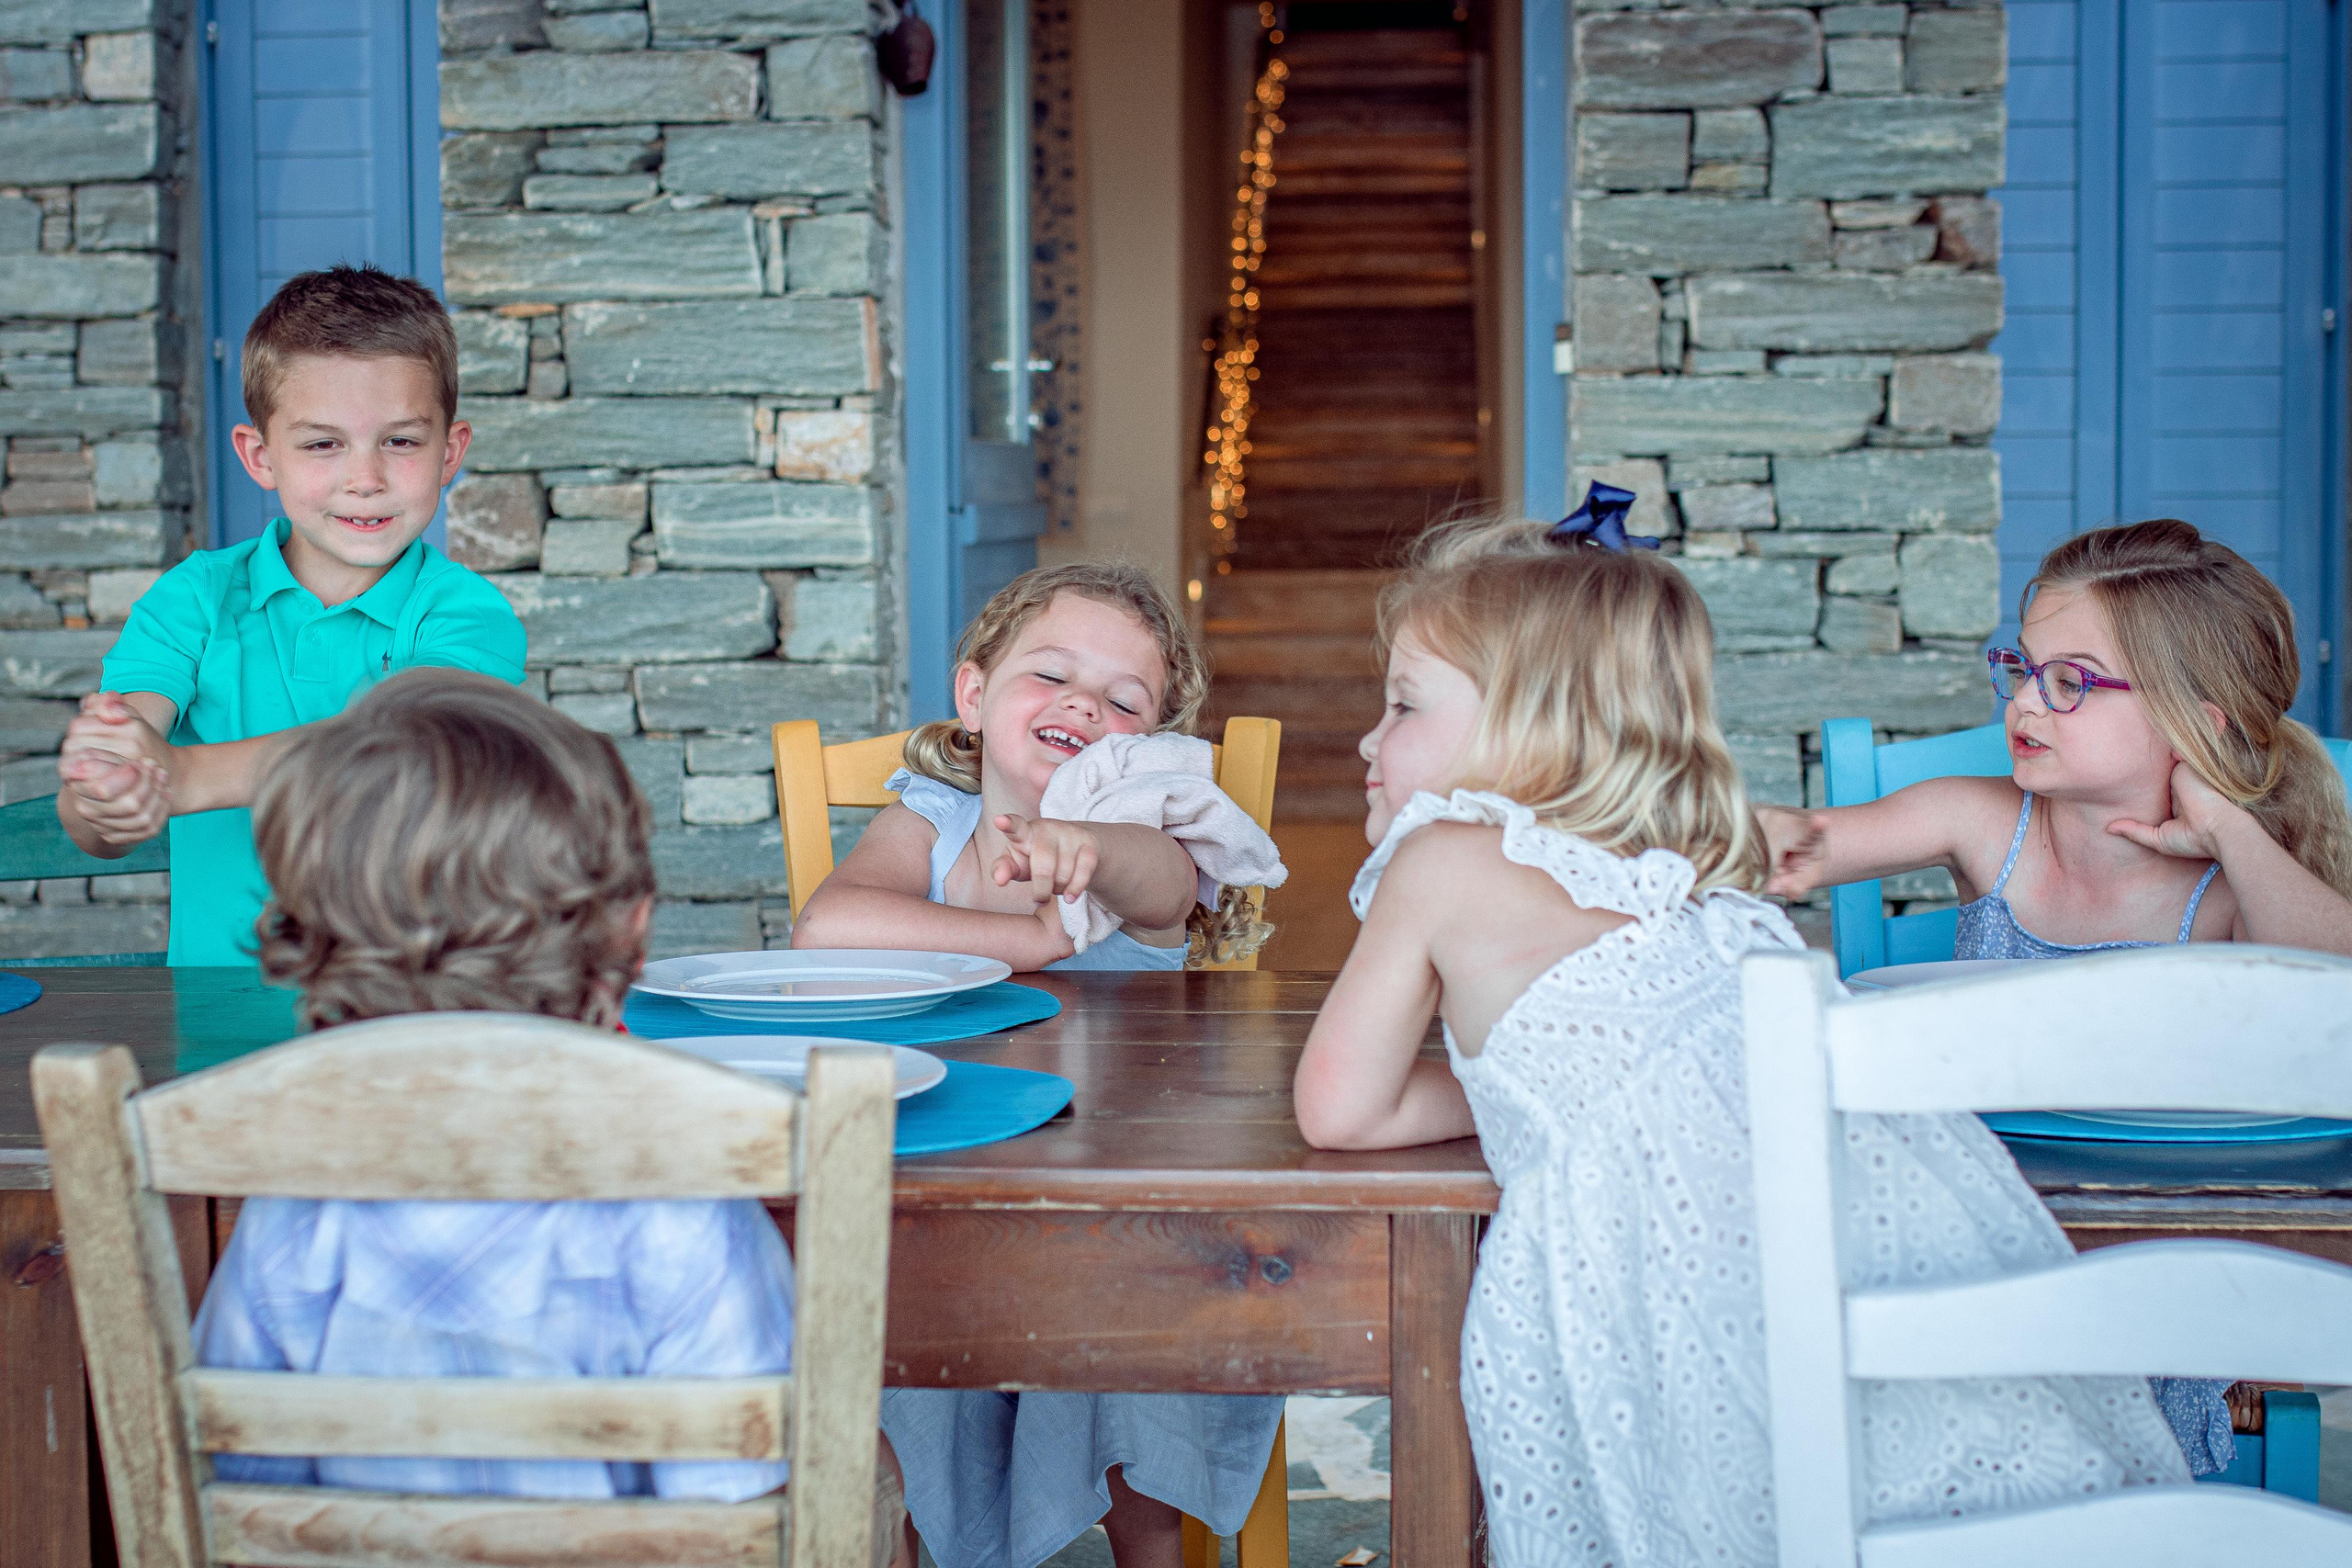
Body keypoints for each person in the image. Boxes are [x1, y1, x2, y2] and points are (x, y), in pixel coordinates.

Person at [1292, 511, 2192, 1568]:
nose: (1367, 737)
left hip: (1659, 1277)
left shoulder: (1438, 859)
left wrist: (1511, 1090)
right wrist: (1527, 1082)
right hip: (1867, 1226)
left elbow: (1341, 1108)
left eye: (1402, 704)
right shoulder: (1687, 861)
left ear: (1528, 723)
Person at [191, 672, 902, 1540]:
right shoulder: (680, 1214)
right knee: (868, 1470)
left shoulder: (291, 1214)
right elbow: (738, 1509)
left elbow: (241, 1484)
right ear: (633, 931)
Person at [1759, 518, 2352, 1472]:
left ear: (2194, 723)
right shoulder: (1980, 822)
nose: (2026, 703)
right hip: (1966, 1250)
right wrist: (1716, 830)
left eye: (2071, 681)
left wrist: (2231, 833)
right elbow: (1801, 844)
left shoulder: (2231, 893)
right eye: (2023, 666)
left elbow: (2338, 1000)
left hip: (2157, 1275)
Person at [794, 562, 1282, 1568]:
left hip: (1111, 1196)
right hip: (943, 1180)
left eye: (1120, 700)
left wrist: (1089, 848)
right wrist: (1040, 936)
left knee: (1130, 1342)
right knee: (876, 1307)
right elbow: (829, 928)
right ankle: (906, 1535)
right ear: (975, 697)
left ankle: (1147, 1551)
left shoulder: (1146, 833)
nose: (1080, 705)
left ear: (1146, 748)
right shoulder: (935, 812)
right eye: (1050, 675)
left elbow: (1160, 891)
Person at [54, 264, 526, 964]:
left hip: (412, 1010)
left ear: (450, 450)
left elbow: (398, 754)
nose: (364, 478)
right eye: (321, 444)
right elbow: (110, 791)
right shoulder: (194, 599)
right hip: (221, 1019)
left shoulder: (467, 616)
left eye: (400, 441)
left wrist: (185, 777)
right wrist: (109, 786)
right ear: (260, 454)